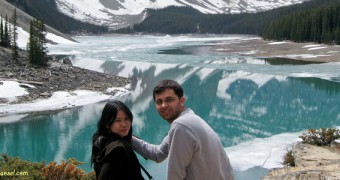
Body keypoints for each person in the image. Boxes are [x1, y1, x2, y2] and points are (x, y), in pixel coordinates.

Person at [132, 79, 234, 180]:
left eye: (169, 100)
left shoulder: (181, 126)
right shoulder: (189, 118)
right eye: (159, 102)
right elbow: (158, 154)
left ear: (181, 101)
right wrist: (129, 138)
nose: (163, 105)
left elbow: (175, 175)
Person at [91, 100, 145, 180]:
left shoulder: (100, 141)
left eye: (126, 119)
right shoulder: (118, 149)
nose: (123, 124)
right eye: (117, 120)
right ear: (107, 124)